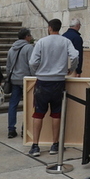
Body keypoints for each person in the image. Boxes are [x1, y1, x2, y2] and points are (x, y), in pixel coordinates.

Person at [27, 19, 78, 156]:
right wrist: (70, 69)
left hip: (43, 81)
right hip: (59, 81)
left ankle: (35, 145)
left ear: (49, 28)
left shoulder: (41, 42)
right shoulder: (66, 41)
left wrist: (37, 70)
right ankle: (55, 145)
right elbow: (75, 56)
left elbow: (33, 62)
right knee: (56, 113)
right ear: (59, 28)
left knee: (38, 113)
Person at [5, 28, 34, 138]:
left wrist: (9, 77)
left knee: (13, 104)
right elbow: (32, 64)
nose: (30, 37)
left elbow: (8, 67)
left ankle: (11, 129)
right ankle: (24, 128)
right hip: (26, 79)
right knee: (28, 105)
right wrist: (34, 76)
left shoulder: (11, 49)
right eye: (29, 35)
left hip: (14, 79)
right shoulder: (28, 48)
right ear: (26, 36)